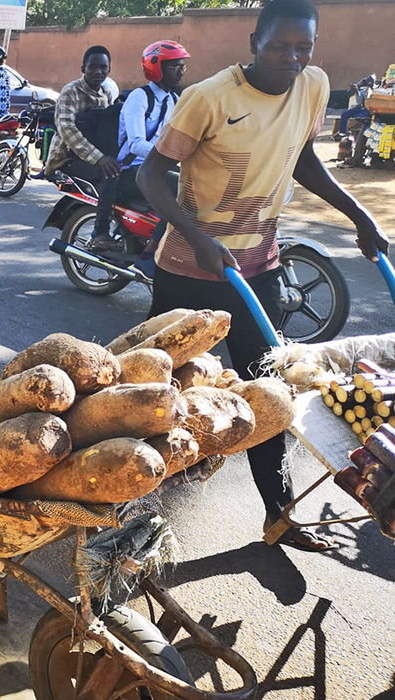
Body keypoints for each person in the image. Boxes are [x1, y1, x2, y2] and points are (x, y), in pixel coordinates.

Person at [137, 0, 388, 551]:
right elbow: (150, 175)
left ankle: (279, 512)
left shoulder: (313, 85)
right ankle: (134, 505)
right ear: (254, 41)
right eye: (279, 46)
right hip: (188, 270)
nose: (291, 58)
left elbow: (302, 159)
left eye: (304, 47)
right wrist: (200, 239)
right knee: (160, 390)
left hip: (258, 268)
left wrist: (359, 213)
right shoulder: (208, 98)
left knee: (268, 395)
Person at [117, 40, 190, 276]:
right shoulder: (139, 97)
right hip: (131, 171)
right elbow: (135, 144)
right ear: (156, 67)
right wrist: (171, 156)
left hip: (156, 168)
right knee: (184, 190)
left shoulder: (173, 100)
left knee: (203, 186)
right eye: (174, 67)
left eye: (182, 67)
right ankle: (151, 250)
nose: (180, 71)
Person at [45, 45, 122, 251]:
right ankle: (99, 233)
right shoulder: (71, 92)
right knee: (110, 174)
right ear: (83, 68)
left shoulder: (106, 93)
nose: (98, 72)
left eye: (102, 67)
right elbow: (67, 129)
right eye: (92, 67)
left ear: (109, 70)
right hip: (67, 158)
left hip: (94, 154)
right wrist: (99, 158)